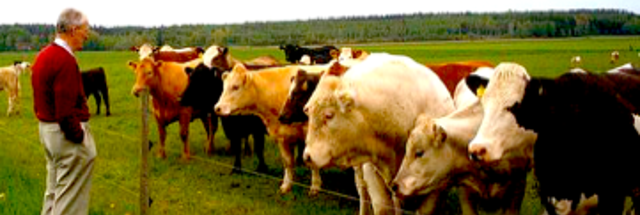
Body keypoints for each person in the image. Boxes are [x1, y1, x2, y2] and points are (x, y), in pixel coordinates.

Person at [31, 8, 96, 215]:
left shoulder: (43, 56)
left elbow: (39, 100)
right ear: (73, 29)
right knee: (70, 200)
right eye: (85, 30)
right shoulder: (64, 60)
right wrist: (79, 136)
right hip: (65, 137)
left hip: (47, 132)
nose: (87, 35)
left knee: (54, 192)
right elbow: (65, 112)